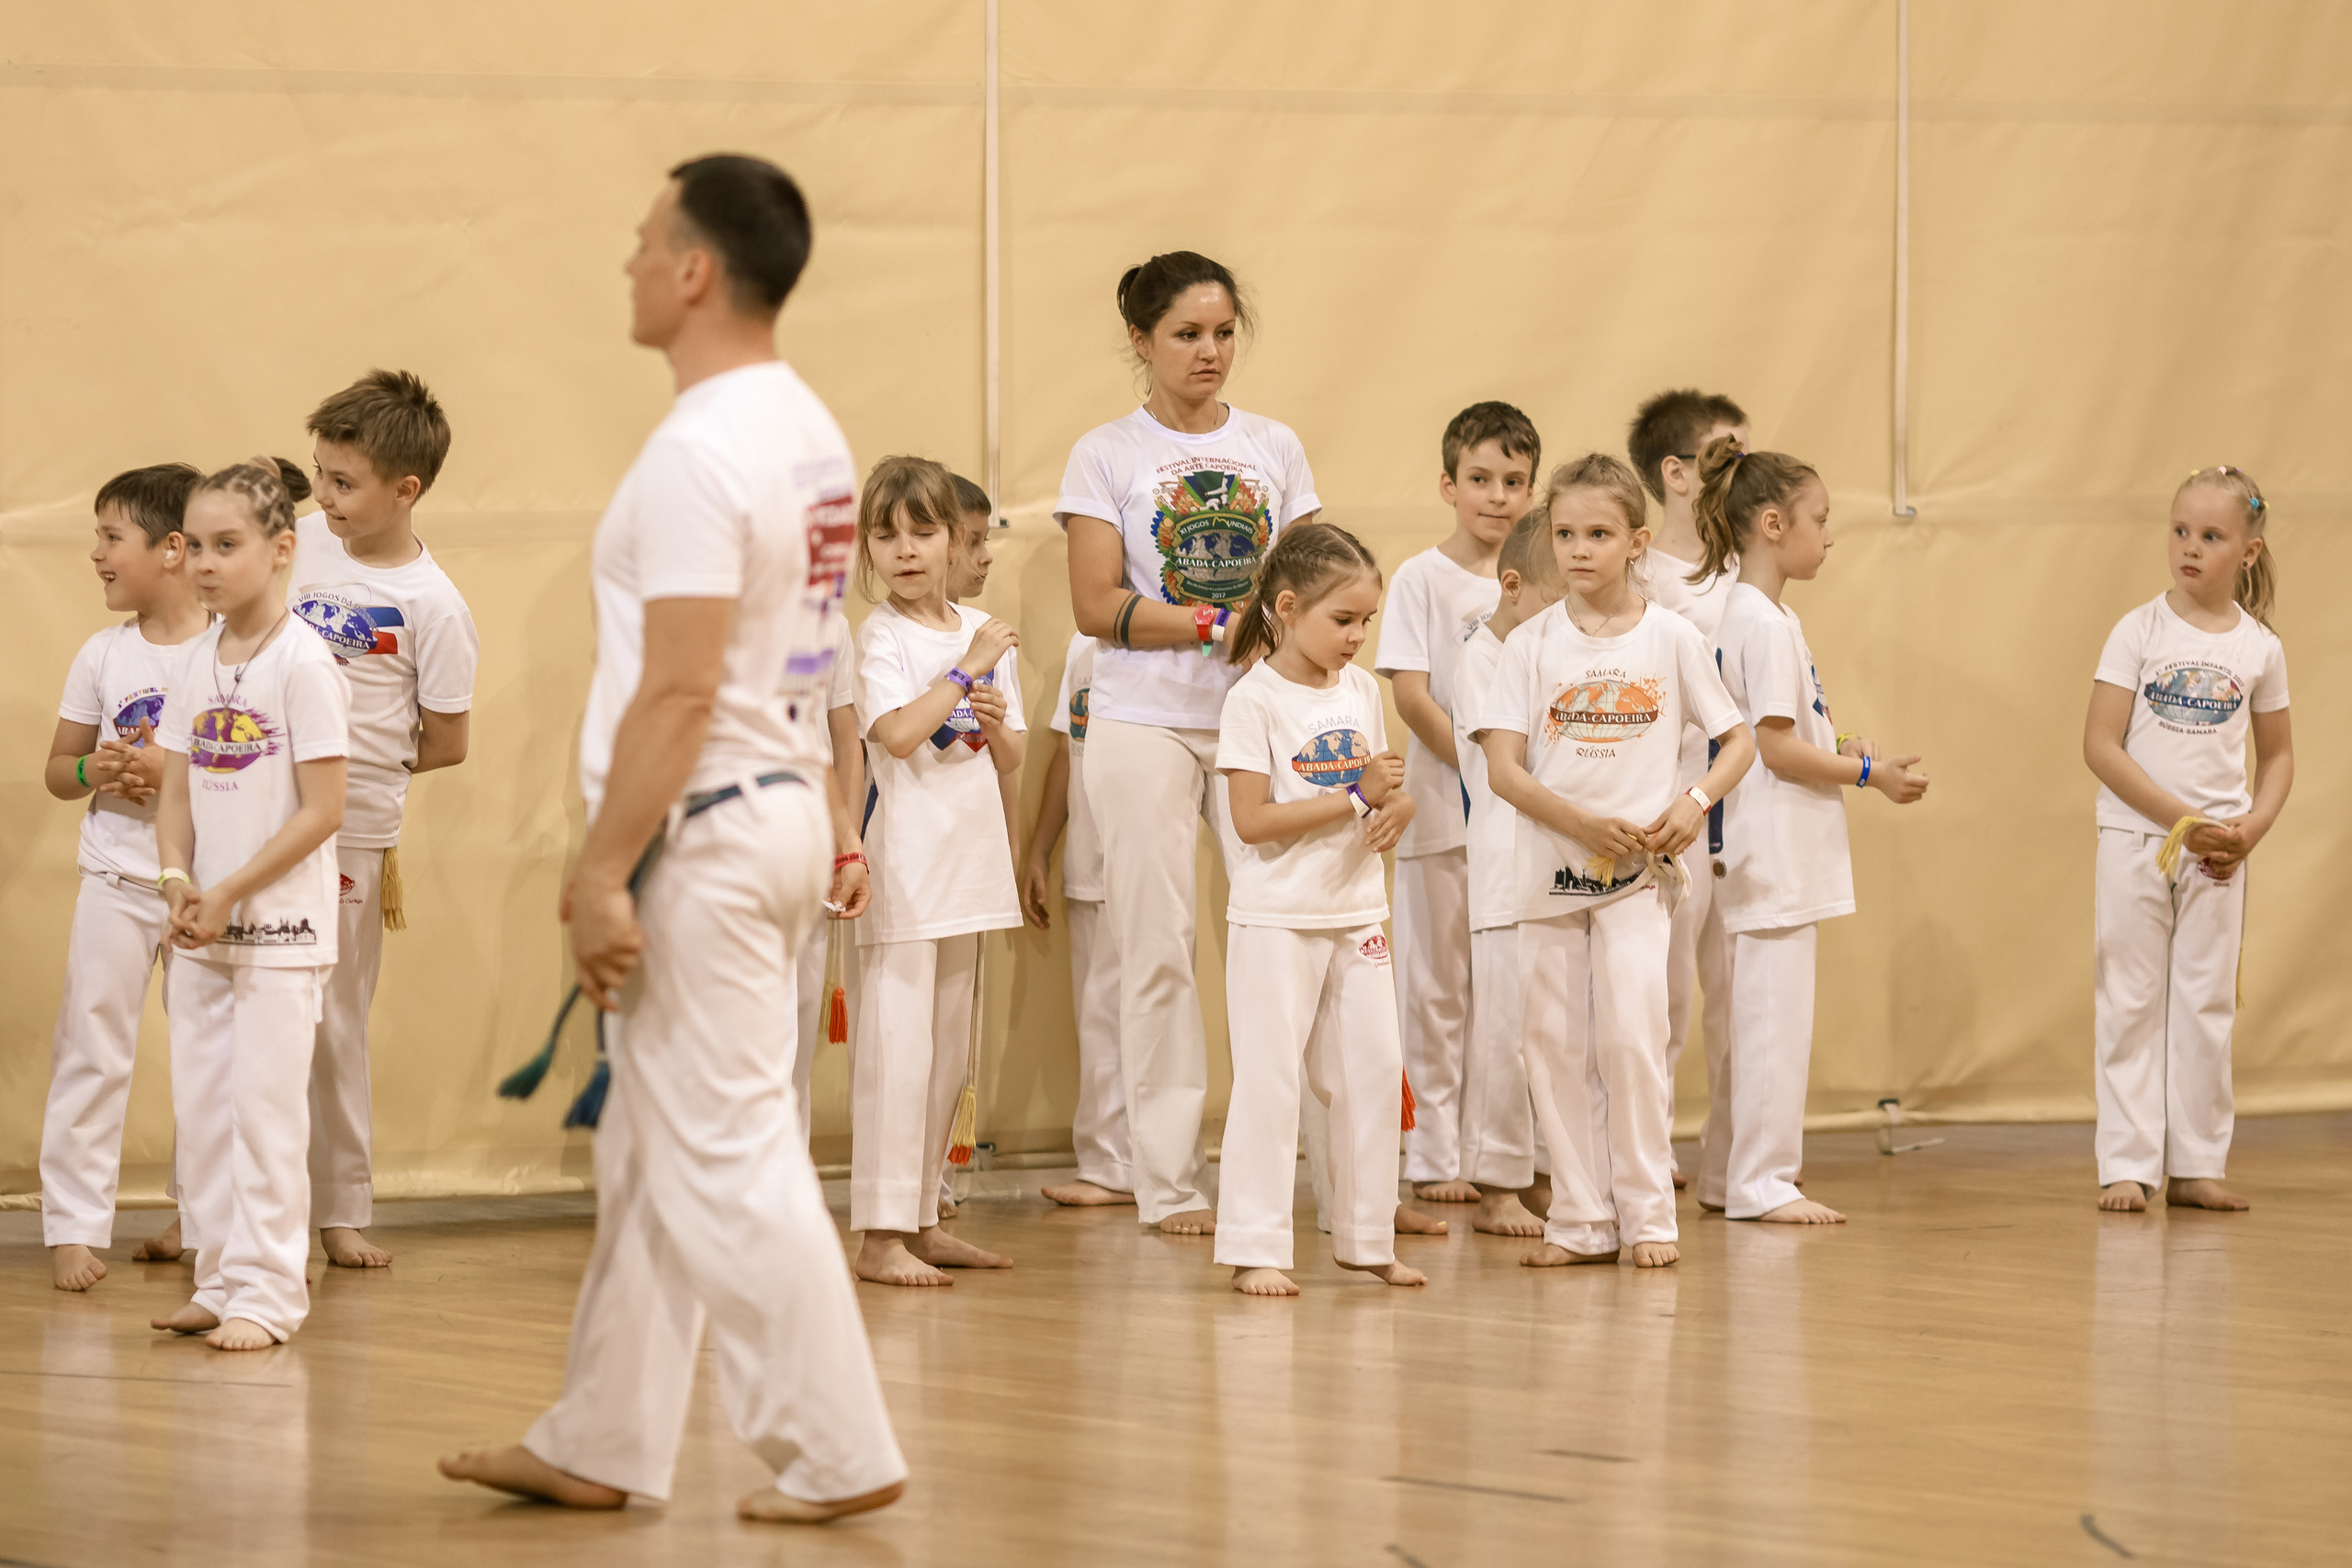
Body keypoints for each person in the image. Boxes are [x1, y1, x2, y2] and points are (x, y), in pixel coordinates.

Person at [437, 154, 906, 1524]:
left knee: (724, 1149)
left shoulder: (705, 448)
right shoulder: (803, 426)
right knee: (653, 1146)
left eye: (645, 242)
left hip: (704, 831)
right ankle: (604, 1432)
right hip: (767, 820)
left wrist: (597, 869)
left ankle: (837, 1445)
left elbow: (686, 682)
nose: (629, 264)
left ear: (696, 270)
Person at [1057, 251, 1320, 1235]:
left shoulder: (1275, 445)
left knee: (1290, 937)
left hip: (1261, 718)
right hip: (1142, 721)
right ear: (1141, 341)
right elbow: (1094, 605)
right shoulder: (1105, 453)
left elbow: (1316, 572)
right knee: (1156, 948)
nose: (1210, 352)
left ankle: (1328, 1179)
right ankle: (1166, 1182)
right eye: (1186, 335)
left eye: (1222, 333)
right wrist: (1219, 625)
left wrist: (1286, 631)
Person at [1474, 455, 1753, 1269]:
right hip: (1549, 871)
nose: (1578, 549)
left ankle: (1647, 1216)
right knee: (1553, 1043)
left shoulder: (1672, 637)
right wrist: (1579, 821)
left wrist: (1692, 803)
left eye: (1598, 534)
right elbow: (1504, 767)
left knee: (1633, 1037)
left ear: (1635, 541)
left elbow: (1736, 742)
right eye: (1564, 533)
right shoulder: (1528, 645)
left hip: (1637, 880)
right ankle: (1579, 1217)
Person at [1690, 436, 1928, 1225]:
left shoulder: (1764, 616)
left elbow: (1797, 729)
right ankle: (1763, 1180)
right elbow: (1776, 748)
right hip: (1771, 849)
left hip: (1774, 845)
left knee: (1754, 1023)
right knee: (1771, 1026)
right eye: (1819, 520)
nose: (1828, 535)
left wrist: (1846, 740)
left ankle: (1731, 1173)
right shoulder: (1758, 619)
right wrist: (1871, 776)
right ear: (1770, 524)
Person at [276, 368, 477, 1272]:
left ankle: (340, 1209)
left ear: (408, 490)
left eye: (344, 483)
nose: (325, 497)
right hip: (247, 812)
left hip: (348, 828)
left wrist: (346, 771)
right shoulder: (289, 543)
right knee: (233, 1011)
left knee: (332, 1018)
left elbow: (445, 742)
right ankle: (208, 1212)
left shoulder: (435, 605)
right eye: (319, 474)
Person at [147, 458, 351, 1348]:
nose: (204, 563)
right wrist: (176, 880)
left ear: (280, 548)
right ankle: (221, 1274)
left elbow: (325, 809)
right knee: (205, 1112)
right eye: (194, 545)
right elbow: (176, 793)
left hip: (282, 931)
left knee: (267, 1114)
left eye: (226, 545)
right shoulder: (197, 658)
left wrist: (231, 889)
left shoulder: (305, 664)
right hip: (204, 926)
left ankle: (269, 1294)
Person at [1213, 524, 1423, 1295]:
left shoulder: (1362, 690)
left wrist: (1396, 808)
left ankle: (1368, 1235)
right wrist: (1353, 795)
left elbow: (1383, 790)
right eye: (1343, 621)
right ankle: (1255, 1245)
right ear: (1287, 607)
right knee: (1271, 1081)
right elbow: (1252, 820)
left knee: (1372, 1072)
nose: (1358, 637)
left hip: (1357, 911)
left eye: (1367, 621)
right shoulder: (1252, 700)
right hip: (1276, 919)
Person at [2083, 466, 2291, 1213]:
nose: (2190, 548)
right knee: (2131, 996)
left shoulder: (2260, 648)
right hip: (2138, 841)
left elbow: (2279, 757)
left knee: (2205, 1001)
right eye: (2179, 531)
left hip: (2217, 855)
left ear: (2249, 551)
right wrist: (2177, 819)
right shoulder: (2137, 630)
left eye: (2210, 536)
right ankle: (2129, 1162)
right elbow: (2102, 746)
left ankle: (2198, 1160)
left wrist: (2248, 830)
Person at [848, 455, 1023, 1286]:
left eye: (923, 532)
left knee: (950, 1050)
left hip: (971, 860)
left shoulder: (982, 629)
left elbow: (1011, 750)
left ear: (955, 540)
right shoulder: (880, 634)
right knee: (898, 1049)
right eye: (886, 535)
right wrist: (964, 673)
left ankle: (923, 1212)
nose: (906, 550)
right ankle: (878, 1231)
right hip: (906, 866)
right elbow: (895, 734)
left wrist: (988, 706)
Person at [40, 463, 209, 1292]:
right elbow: (57, 770)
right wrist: (98, 773)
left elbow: (259, 774)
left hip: (205, 890)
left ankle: (208, 1218)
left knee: (211, 1054)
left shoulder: (231, 650)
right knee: (92, 1046)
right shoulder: (103, 654)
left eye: (112, 537)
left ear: (171, 548)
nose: (97, 555)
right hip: (114, 877)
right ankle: (73, 1225)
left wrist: (173, 776)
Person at [1373, 400, 1538, 1205]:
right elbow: (1409, 694)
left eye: (1513, 481)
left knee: (1507, 995)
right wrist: (1479, 767)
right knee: (1436, 989)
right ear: (1448, 484)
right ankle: (1430, 1157)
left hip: (1524, 822)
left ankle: (1498, 1156)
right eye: (1480, 479)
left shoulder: (1540, 583)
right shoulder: (1420, 578)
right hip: (1443, 812)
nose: (1497, 496)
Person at [1625, 389, 1749, 1188]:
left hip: (1745, 801)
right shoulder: (1641, 576)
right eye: (1723, 459)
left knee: (1741, 995)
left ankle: (1737, 1160)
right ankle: (1645, 1146)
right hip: (1675, 799)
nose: (1744, 473)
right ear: (1675, 474)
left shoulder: (1744, 568)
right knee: (1662, 994)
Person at [1449, 502, 1566, 1238]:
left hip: (1553, 865)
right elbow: (1511, 762)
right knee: (1502, 1033)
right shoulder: (1481, 656)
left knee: (1551, 1032)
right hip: (1500, 870)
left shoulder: (1548, 649)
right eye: (1560, 602)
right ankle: (1494, 1180)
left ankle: (1549, 1172)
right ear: (1515, 586)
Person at [1023, 630, 1136, 1206]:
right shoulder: (1079, 647)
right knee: (1096, 1017)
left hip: (1141, 863)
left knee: (1139, 1015)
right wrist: (1041, 848)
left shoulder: (1169, 638)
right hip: (1088, 859)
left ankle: (1141, 1164)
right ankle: (1107, 1162)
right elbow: (1069, 750)